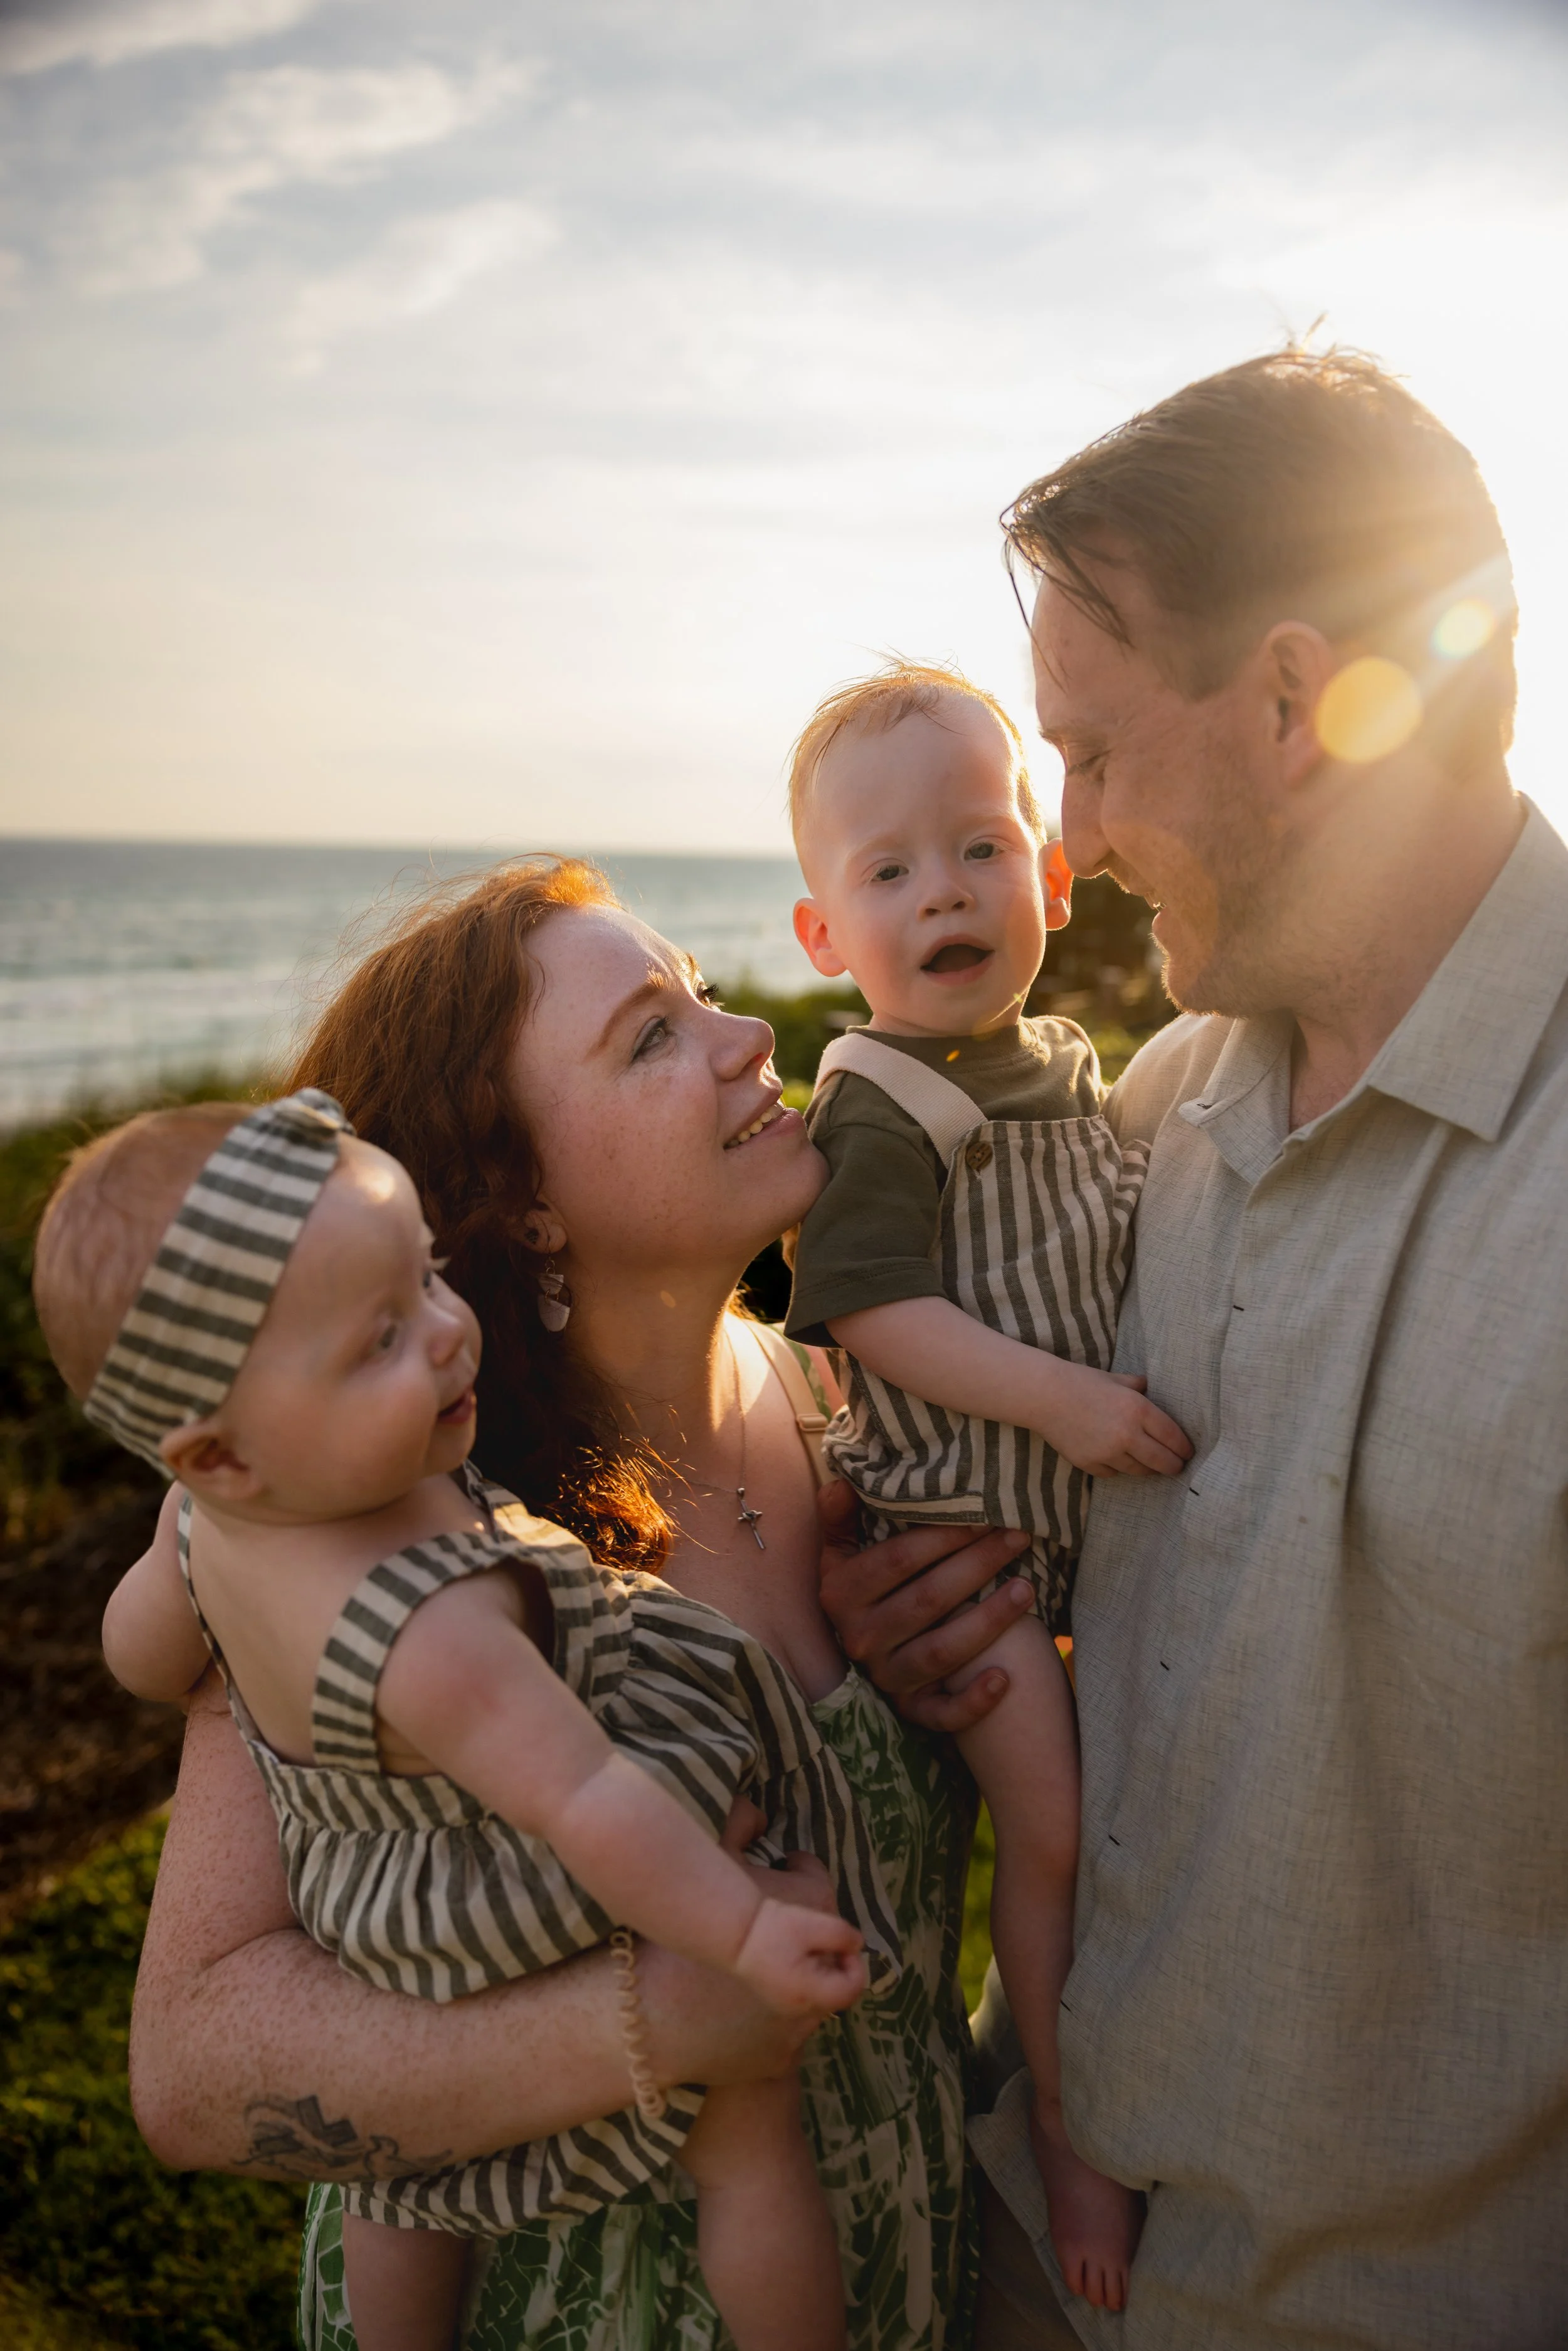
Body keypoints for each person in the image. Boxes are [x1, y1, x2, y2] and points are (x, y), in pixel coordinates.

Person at [818, 348, 1568, 2350]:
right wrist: (954, 1621)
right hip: (1016, 2250)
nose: (1065, 837)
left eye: (1090, 754)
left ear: (1294, 704)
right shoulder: (1142, 1112)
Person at [124, 857, 1015, 2351]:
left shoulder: (851, 1410)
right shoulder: (387, 1527)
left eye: (704, 996)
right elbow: (195, 2061)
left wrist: (960, 1683)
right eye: (651, 1036)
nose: (744, 1038)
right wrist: (653, 2024)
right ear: (519, 1202)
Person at [37, 1088, 884, 2351]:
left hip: (381, 1920)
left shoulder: (211, 1526)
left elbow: (139, 1648)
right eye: (378, 1340)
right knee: (744, 2138)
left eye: (426, 1277)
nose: (444, 1334)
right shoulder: (435, 1631)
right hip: (539, 1901)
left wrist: (201, 1580)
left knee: (401, 2188)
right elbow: (592, 1801)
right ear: (218, 1452)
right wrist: (745, 1930)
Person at [783, 660, 1192, 2311]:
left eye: (975, 846)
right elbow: (868, 1304)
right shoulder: (879, 1098)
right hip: (970, 1541)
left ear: (1052, 874)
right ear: (823, 937)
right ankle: (1071, 2129)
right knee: (1052, 1829)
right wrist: (1073, 1406)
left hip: (1072, 1534)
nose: (938, 890)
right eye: (884, 871)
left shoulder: (1067, 1066)